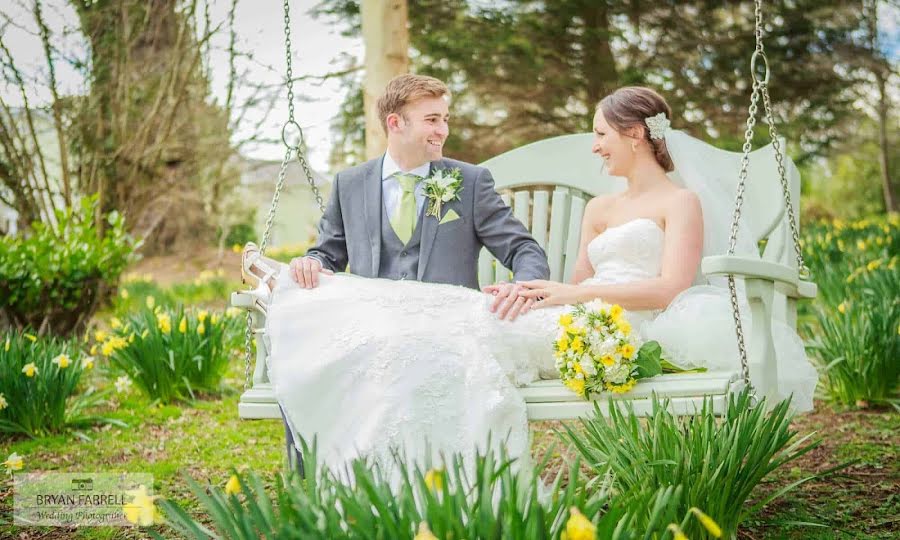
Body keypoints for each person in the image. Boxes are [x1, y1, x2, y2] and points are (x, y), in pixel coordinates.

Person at [242, 86, 818, 483]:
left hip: (619, 323)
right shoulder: (600, 206)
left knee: (455, 329)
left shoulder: (680, 202)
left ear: (637, 133)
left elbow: (669, 287)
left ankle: (422, 469)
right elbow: (567, 290)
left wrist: (564, 295)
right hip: (574, 318)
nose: (594, 145)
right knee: (463, 320)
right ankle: (392, 466)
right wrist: (537, 294)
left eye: (601, 135)